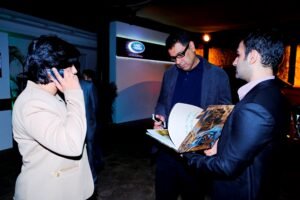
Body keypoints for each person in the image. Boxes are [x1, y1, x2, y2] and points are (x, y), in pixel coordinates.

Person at [183, 30, 290, 200]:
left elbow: (226, 167)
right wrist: (223, 144)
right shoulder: (275, 95)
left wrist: (187, 154)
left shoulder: (254, 107)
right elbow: (251, 145)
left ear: (253, 56)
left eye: (238, 55)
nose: (234, 62)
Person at [12, 35, 94, 200]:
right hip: (47, 192)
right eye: (70, 65)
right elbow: (72, 145)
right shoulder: (32, 103)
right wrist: (74, 93)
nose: (75, 71)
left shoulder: (49, 95)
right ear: (51, 70)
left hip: (64, 188)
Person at [153, 31, 232, 200]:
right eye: (173, 58)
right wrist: (159, 116)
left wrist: (212, 137)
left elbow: (223, 111)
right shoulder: (170, 74)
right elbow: (162, 101)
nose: (178, 62)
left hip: (197, 154)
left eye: (181, 55)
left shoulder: (217, 75)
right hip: (168, 150)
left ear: (193, 47)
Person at [79, 69, 100, 185]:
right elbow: (95, 106)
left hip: (76, 124)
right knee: (90, 150)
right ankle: (92, 177)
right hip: (89, 125)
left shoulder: (74, 85)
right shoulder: (90, 86)